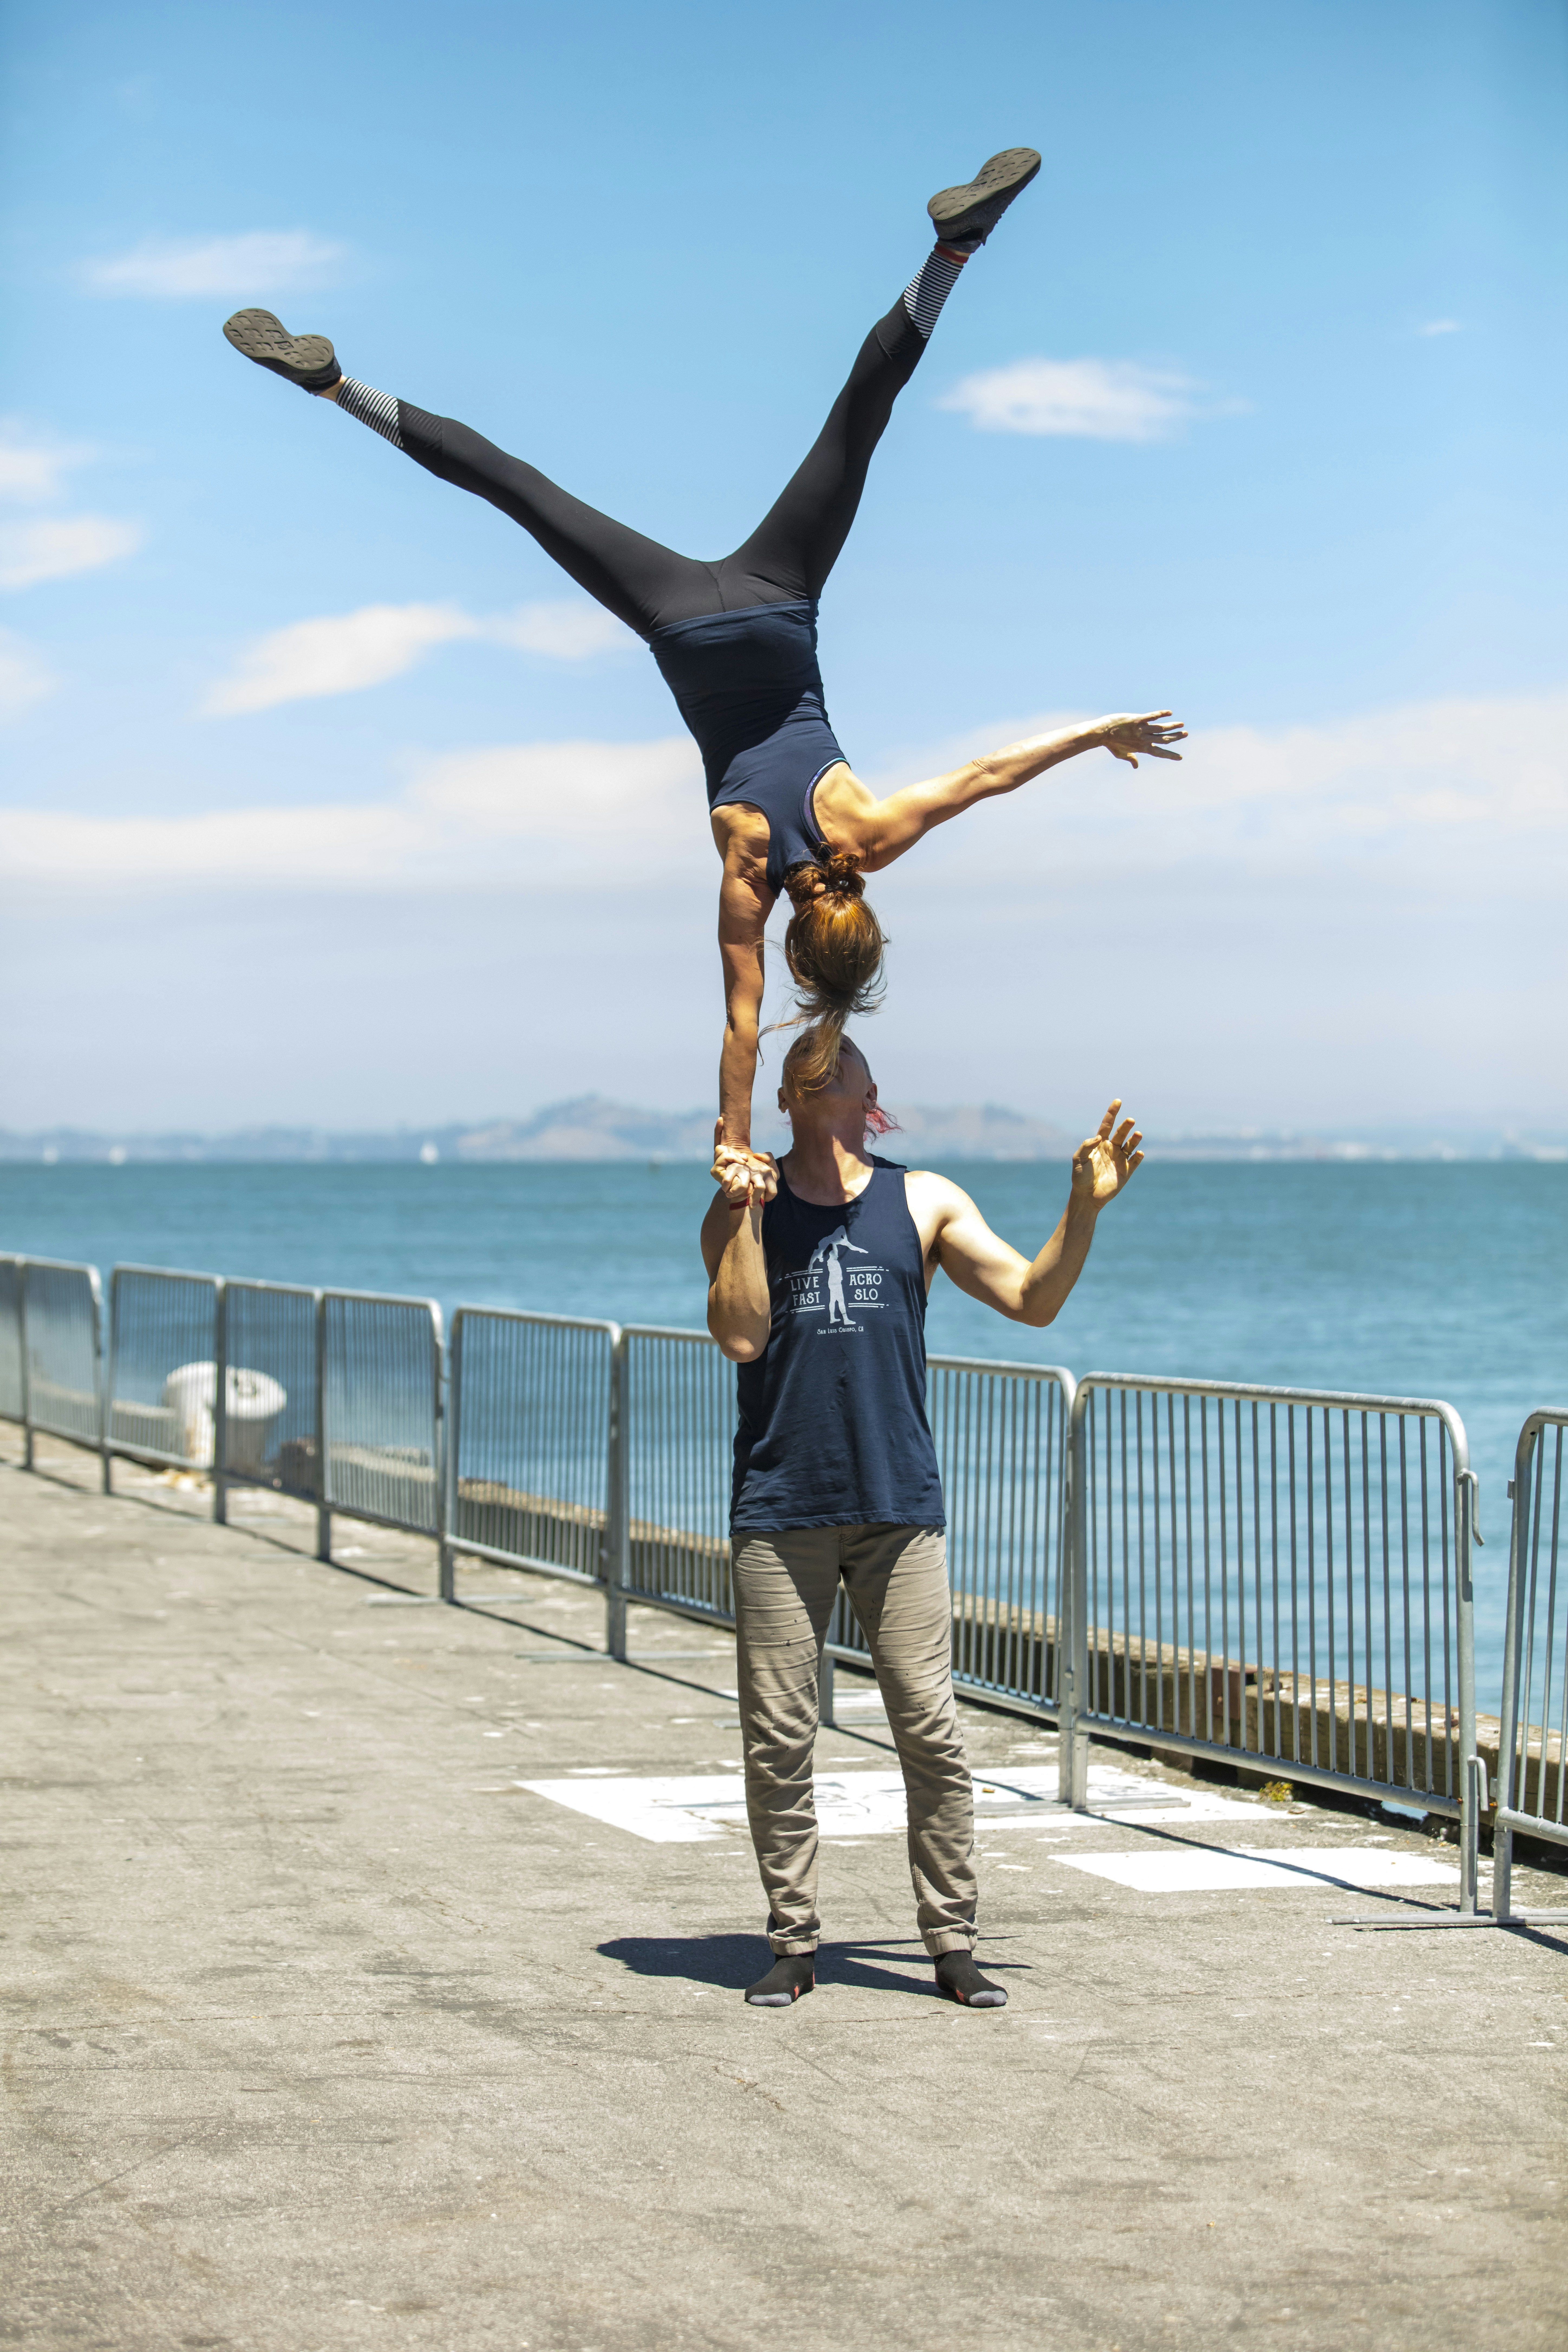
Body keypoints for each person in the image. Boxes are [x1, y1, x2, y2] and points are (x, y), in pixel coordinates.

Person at [221, 152, 1185, 1159]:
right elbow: (738, 1027)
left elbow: (992, 773)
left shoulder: (875, 833)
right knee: (517, 490)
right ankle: (335, 387)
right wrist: (734, 1144)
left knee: (861, 417)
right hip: (677, 624)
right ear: (800, 956)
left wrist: (1098, 732)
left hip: (779, 600)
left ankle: (954, 247)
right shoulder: (749, 873)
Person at [699, 1028, 1142, 2007]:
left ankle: (950, 1943)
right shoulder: (744, 1202)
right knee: (779, 1739)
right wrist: (740, 1213)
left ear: (869, 1092)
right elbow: (737, 1333)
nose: (826, 1057)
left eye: (844, 1053)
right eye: (806, 1056)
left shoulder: (925, 1198)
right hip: (781, 1506)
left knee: (931, 1734)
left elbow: (1032, 1299)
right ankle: (793, 1943)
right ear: (784, 1093)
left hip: (899, 1504)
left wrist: (1082, 1207)